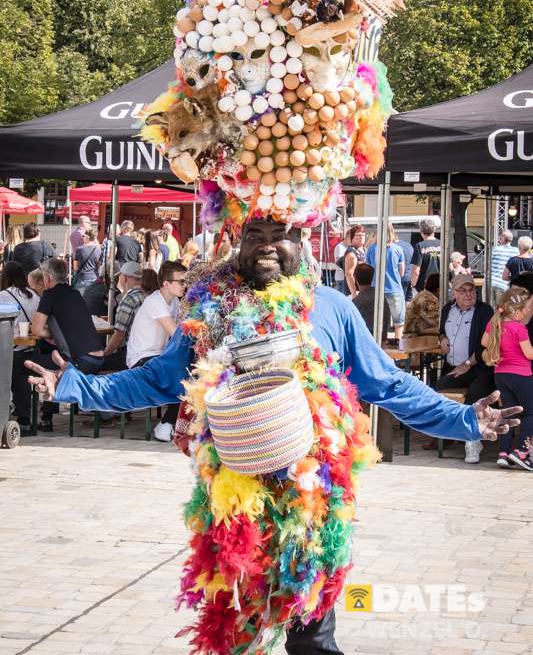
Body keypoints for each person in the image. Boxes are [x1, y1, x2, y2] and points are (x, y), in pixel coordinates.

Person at [26, 220, 520, 655]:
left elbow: (386, 383)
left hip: (313, 501)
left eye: (277, 237)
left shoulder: (331, 307)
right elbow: (156, 379)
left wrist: (463, 421)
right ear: (237, 242)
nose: (265, 246)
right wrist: (76, 385)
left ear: (300, 241)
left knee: (313, 637)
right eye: (254, 236)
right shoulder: (209, 309)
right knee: (237, 629)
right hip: (234, 497)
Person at [27, 257, 104, 431]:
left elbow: (36, 330)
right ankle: (46, 417)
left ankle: (27, 420)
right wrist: (57, 333)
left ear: (47, 278)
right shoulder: (74, 293)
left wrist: (52, 333)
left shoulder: (50, 294)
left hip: (80, 361)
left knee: (20, 364)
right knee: (53, 360)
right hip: (97, 359)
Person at [435, 272, 495, 463]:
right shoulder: (447, 310)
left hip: (480, 368)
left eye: (472, 290)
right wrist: (442, 338)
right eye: (464, 291)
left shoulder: (484, 311)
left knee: (475, 394)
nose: (469, 294)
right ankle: (444, 434)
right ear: (455, 293)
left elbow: (486, 344)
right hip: (455, 367)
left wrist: (468, 363)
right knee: (438, 388)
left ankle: (473, 440)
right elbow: (441, 331)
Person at [482, 286, 533, 471]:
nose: (528, 312)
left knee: (507, 412)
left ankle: (503, 453)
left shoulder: (495, 324)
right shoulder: (519, 329)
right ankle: (520, 451)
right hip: (521, 375)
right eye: (526, 308)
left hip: (501, 375)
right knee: (530, 413)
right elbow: (529, 354)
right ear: (518, 311)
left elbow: (484, 343)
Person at [0, 262, 40, 434]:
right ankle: (24, 416)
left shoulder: (3, 295)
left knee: (16, 369)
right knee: (20, 369)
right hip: (33, 348)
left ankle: (19, 414)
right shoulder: (34, 295)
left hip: (11, 348)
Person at [126, 261, 186, 370]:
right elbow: (177, 334)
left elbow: (182, 330)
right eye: (181, 282)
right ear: (166, 284)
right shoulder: (155, 302)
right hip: (141, 358)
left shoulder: (174, 301)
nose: (185, 285)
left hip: (158, 355)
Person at [102, 262, 146, 371]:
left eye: (120, 276)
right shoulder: (146, 296)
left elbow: (119, 335)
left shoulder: (129, 299)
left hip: (131, 354)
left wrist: (105, 354)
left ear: (125, 278)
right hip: (146, 351)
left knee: (95, 363)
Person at [366, 223, 405, 339]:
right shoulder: (398, 249)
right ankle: (398, 348)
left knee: (379, 322)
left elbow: (368, 269)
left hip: (376, 288)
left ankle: (380, 346)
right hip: (394, 288)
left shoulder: (371, 249)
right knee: (399, 323)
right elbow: (401, 272)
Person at [352, 262, 391, 342]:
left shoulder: (357, 302)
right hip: (382, 339)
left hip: (366, 342)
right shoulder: (380, 297)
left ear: (355, 280)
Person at [410, 218, 441, 294]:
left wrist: (413, 284)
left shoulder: (420, 246)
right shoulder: (442, 244)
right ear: (434, 230)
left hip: (424, 287)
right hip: (440, 285)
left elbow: (416, 271)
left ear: (421, 231)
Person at [491, 229, 518, 304]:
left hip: (491, 282)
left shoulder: (495, 250)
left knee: (488, 310)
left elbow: (486, 265)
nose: (498, 239)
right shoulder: (516, 251)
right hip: (504, 285)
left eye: (499, 237)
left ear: (503, 238)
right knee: (502, 310)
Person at [73, 228, 101, 295]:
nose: (82, 238)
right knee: (91, 302)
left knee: (81, 302)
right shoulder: (98, 249)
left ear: (87, 237)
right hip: (94, 278)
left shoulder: (79, 249)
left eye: (83, 236)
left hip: (82, 279)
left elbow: (75, 267)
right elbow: (99, 265)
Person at [342, 225, 366, 297]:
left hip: (362, 291)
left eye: (363, 235)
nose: (361, 237)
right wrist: (354, 294)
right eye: (358, 235)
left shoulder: (363, 250)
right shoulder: (351, 253)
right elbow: (349, 275)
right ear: (352, 237)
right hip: (354, 293)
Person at [396, 235, 414, 301]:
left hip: (402, 278)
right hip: (410, 277)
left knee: (400, 300)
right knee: (408, 300)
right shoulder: (409, 245)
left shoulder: (395, 247)